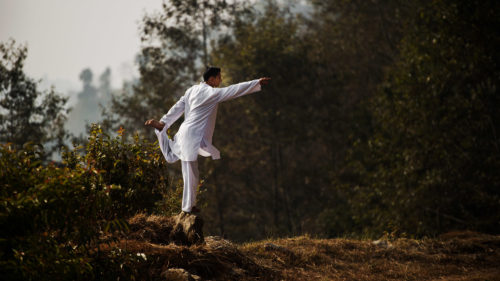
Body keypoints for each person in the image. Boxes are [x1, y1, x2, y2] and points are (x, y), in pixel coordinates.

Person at [145, 67, 271, 213]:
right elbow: (234, 90)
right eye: (219, 77)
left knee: (174, 158)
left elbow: (177, 107)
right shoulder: (212, 93)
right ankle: (187, 208)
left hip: (184, 132)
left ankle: (161, 130)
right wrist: (256, 82)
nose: (221, 80)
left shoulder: (191, 90)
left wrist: (165, 121)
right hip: (193, 136)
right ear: (211, 79)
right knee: (190, 172)